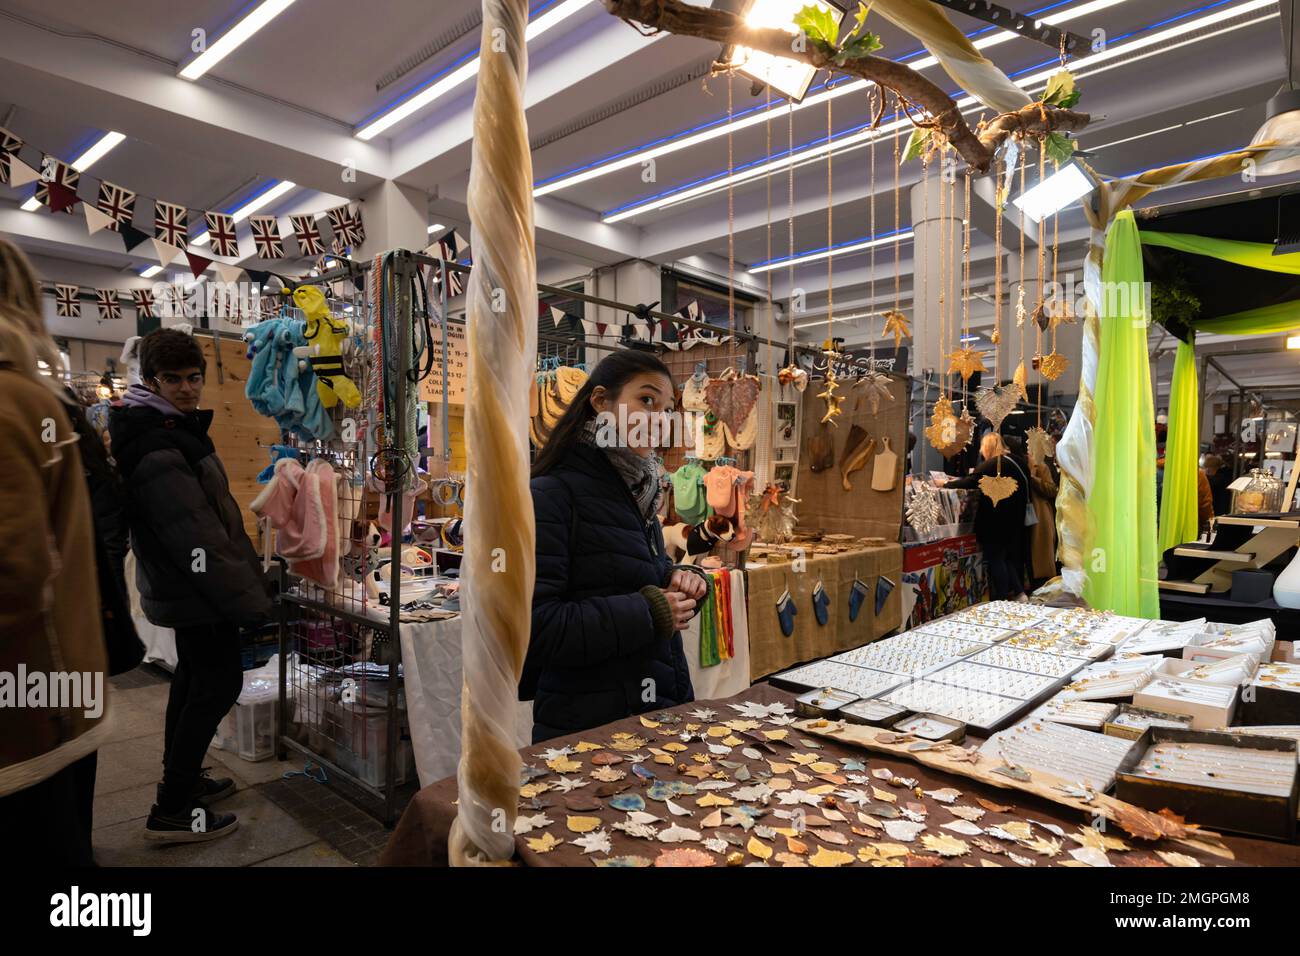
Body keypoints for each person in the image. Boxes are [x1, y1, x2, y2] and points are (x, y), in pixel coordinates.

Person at [109, 328, 272, 843]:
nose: (186, 388)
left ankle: (183, 781)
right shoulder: (156, 438)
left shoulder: (164, 426)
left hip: (189, 587)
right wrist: (247, 600)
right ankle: (174, 806)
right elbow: (195, 536)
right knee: (216, 683)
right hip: (197, 589)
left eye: (193, 377)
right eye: (172, 379)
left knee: (194, 680)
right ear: (150, 379)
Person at [521, 350, 705, 742]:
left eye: (668, 407)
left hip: (655, 709)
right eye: (647, 400)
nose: (659, 418)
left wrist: (681, 579)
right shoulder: (551, 495)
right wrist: (652, 609)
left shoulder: (638, 489)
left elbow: (632, 575)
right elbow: (538, 628)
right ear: (601, 402)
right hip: (589, 726)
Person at [0, 238, 109, 865]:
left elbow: (16, 562)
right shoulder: (26, 400)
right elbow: (20, 562)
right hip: (36, 694)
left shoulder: (21, 400)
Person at [946, 433, 1029, 601]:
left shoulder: (995, 464)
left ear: (988, 448)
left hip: (996, 522)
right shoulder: (1017, 461)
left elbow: (971, 482)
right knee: (1006, 558)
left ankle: (1002, 598)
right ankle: (1020, 593)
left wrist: (946, 484)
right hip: (1015, 520)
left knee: (996, 558)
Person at [1205, 454, 1233, 518]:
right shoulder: (1224, 476)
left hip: (1218, 507)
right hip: (1222, 507)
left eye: (1208, 467)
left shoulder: (1219, 478)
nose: (1207, 469)